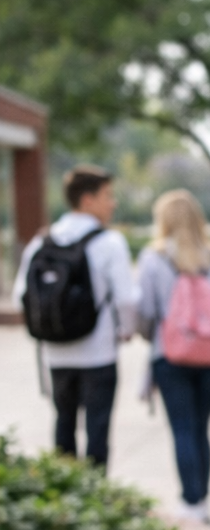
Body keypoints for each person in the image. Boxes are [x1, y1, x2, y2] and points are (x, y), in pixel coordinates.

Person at [13, 165, 136, 470]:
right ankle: (96, 499)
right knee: (98, 427)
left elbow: (20, 296)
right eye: (108, 195)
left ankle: (68, 496)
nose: (113, 203)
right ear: (87, 200)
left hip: (55, 356)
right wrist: (126, 331)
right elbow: (126, 299)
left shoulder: (42, 241)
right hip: (98, 353)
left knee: (63, 424)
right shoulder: (109, 243)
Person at [137, 190, 210, 522]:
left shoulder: (153, 259)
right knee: (201, 429)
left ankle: (191, 502)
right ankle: (205, 502)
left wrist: (153, 334)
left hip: (170, 356)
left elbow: (145, 311)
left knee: (182, 428)